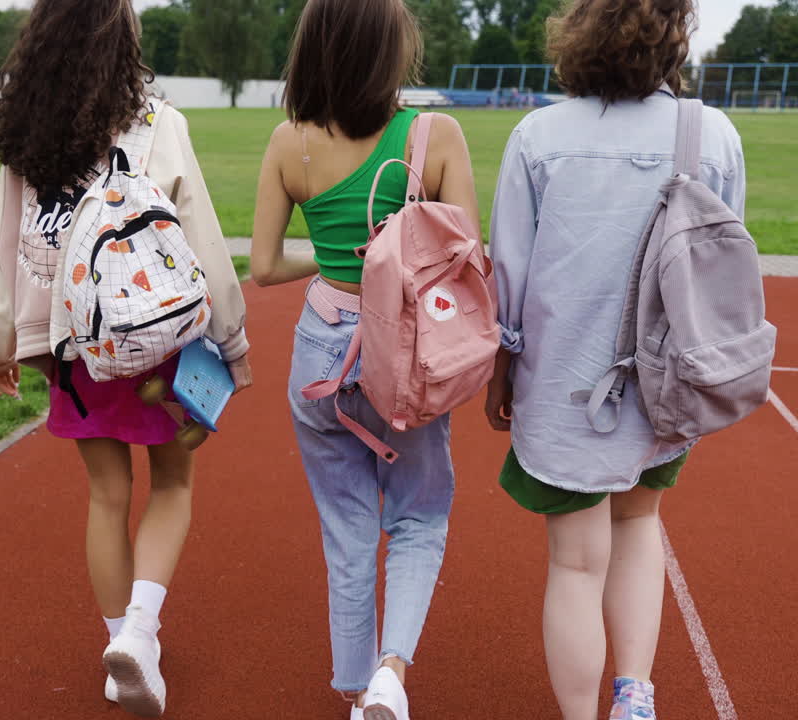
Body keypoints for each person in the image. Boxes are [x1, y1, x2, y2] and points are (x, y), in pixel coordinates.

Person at [0, 1, 252, 715]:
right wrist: (234, 341)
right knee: (174, 487)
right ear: (124, 43)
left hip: (76, 349)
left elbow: (3, 245)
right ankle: (139, 634)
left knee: (105, 495)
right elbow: (202, 239)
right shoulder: (160, 124)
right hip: (159, 340)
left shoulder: (26, 137)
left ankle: (118, 638)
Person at [485, 1, 745, 718]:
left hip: (565, 384)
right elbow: (725, 266)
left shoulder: (538, 135)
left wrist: (502, 373)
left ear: (578, 35)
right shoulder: (712, 133)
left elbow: (509, 272)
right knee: (638, 525)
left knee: (575, 562)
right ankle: (634, 696)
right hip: (667, 384)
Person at [249, 1, 479, 718]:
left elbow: (260, 267)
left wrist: (339, 258)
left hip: (321, 352)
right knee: (417, 516)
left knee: (346, 529)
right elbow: (466, 261)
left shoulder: (290, 144)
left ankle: (356, 690)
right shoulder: (436, 137)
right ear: (393, 50)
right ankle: (390, 674)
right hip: (404, 355)